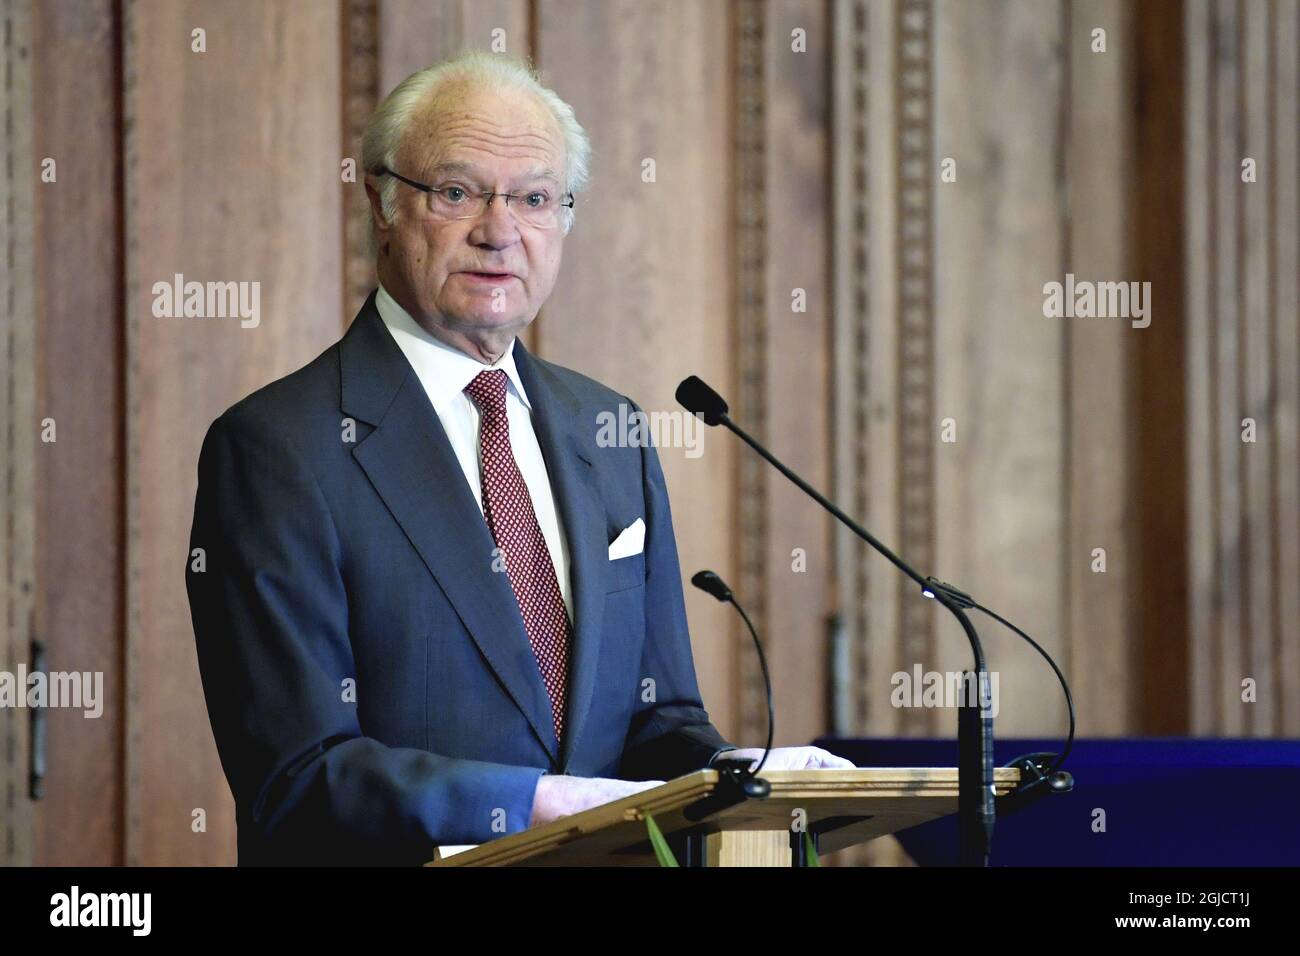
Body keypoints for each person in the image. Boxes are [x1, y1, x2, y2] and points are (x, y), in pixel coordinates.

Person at [185, 50, 852, 866]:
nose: (499, 231)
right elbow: (297, 777)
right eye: (458, 192)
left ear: (564, 217)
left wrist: (728, 777)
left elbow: (656, 720)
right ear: (383, 203)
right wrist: (540, 804)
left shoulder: (610, 432)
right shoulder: (277, 449)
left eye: (534, 197)